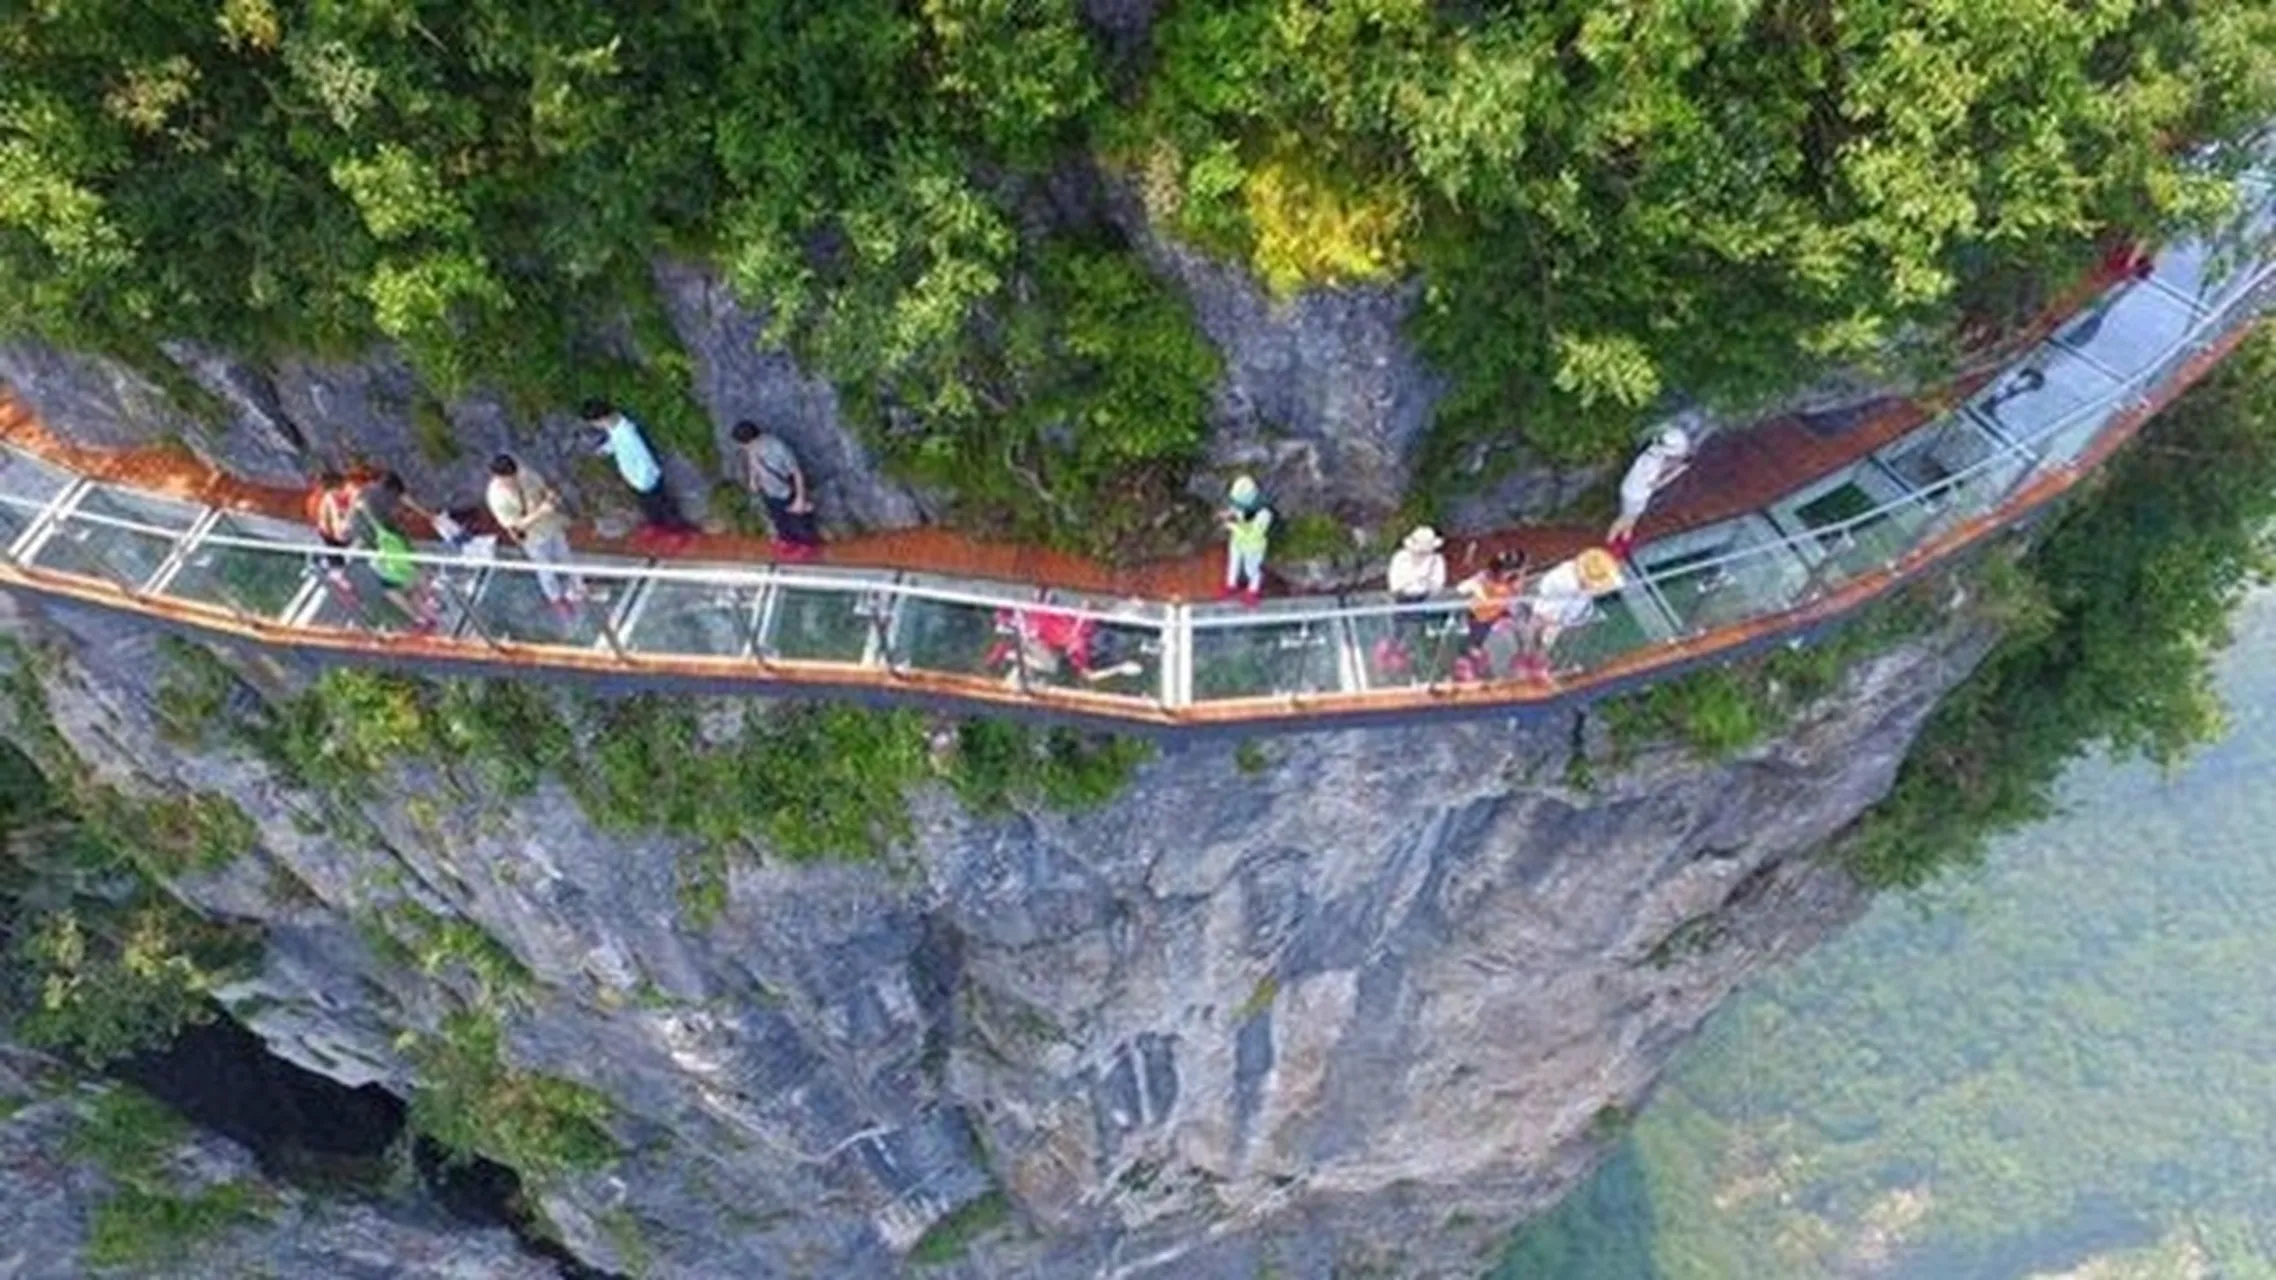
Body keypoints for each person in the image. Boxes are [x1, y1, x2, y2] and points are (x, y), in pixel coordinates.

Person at [583, 398, 694, 546]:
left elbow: (644, 457)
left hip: (646, 477)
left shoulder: (629, 432)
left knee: (663, 504)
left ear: (601, 419)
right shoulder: (614, 427)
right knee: (649, 506)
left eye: (594, 423)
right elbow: (616, 442)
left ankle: (677, 531)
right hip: (634, 476)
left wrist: (644, 480)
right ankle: (658, 526)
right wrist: (605, 449)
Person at [485, 454, 584, 621]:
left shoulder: (526, 475)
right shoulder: (497, 497)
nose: (514, 480)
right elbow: (515, 525)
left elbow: (543, 488)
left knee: (566, 559)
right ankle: (557, 599)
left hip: (551, 526)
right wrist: (540, 513)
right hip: (533, 537)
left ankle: (579, 588)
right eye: (509, 478)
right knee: (545, 569)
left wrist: (550, 497)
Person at [1510, 546, 1625, 680]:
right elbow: (1546, 613)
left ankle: (1537, 660)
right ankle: (1528, 662)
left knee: (1546, 639)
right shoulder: (1562, 581)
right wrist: (1552, 626)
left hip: (1567, 612)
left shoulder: (1591, 577)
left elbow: (1616, 582)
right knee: (1538, 636)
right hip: (1551, 608)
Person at [350, 471, 440, 632]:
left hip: (369, 547)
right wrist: (421, 515)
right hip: (390, 542)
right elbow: (395, 519)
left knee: (389, 585)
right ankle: (429, 600)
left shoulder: (365, 492)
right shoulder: (387, 498)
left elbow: (352, 521)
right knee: (413, 568)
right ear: (393, 489)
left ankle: (418, 618)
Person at [985, 607, 1146, 687]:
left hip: (1097, 620)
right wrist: (1120, 668)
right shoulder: (1076, 651)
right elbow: (1089, 676)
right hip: (1101, 633)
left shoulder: (1075, 639)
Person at [729, 420, 820, 559]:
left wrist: (800, 498)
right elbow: (752, 459)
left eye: (743, 445)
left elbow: (796, 472)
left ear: (751, 440)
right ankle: (787, 540)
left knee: (797, 519)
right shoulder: (751, 448)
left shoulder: (778, 448)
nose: (743, 448)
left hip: (786, 490)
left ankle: (807, 545)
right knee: (778, 517)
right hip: (769, 489)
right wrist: (754, 479)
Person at [1606, 425, 1694, 558]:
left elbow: (1662, 467)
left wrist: (1676, 466)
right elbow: (1656, 484)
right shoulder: (1652, 464)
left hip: (1634, 491)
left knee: (1630, 521)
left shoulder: (1653, 453)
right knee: (1624, 520)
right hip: (1635, 494)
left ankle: (1620, 547)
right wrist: (1678, 471)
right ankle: (1611, 548)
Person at [1455, 551, 1529, 676]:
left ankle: (1517, 665)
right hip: (1480, 619)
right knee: (1476, 648)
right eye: (1508, 569)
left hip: (1501, 616)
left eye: (1515, 569)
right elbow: (1461, 588)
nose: (1512, 573)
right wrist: (1476, 589)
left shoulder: (1515, 581)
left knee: (1517, 634)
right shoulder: (1484, 577)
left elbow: (1514, 599)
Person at [305, 469, 363, 602]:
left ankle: (325, 566)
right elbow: (338, 530)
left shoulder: (325, 498)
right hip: (331, 536)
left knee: (336, 562)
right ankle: (343, 584)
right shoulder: (327, 499)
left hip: (330, 537)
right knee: (337, 563)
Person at [1220, 475, 1272, 606]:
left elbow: (1254, 533)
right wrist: (1227, 514)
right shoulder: (1240, 506)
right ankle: (1230, 585)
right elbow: (1235, 512)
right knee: (1233, 564)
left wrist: (1233, 527)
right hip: (1237, 542)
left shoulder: (1263, 513)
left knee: (1251, 570)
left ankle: (1253, 590)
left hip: (1253, 546)